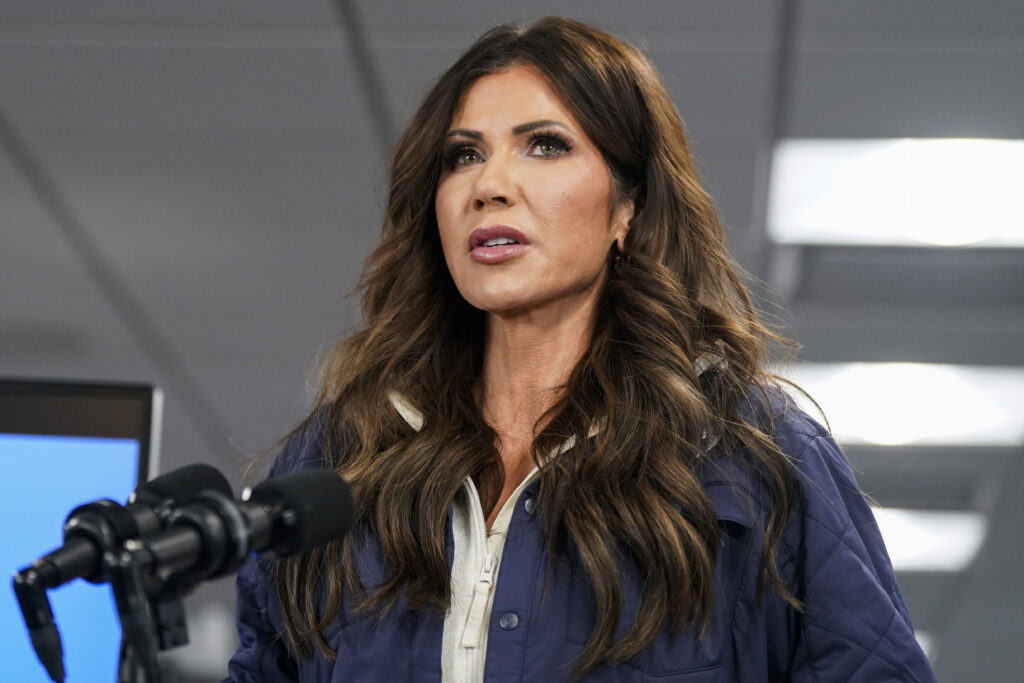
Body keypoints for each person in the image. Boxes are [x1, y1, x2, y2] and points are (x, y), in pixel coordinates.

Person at [224, 17, 937, 682]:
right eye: (463, 155)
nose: (489, 186)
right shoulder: (340, 458)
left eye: (545, 145)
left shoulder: (756, 456)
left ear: (628, 207)